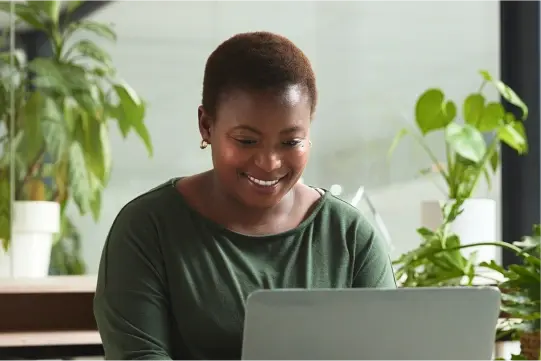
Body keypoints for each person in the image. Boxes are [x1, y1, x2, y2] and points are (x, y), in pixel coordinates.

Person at [93, 31, 396, 361]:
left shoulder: (350, 236)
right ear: (206, 126)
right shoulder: (147, 229)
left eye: (290, 142)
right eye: (247, 141)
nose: (269, 163)